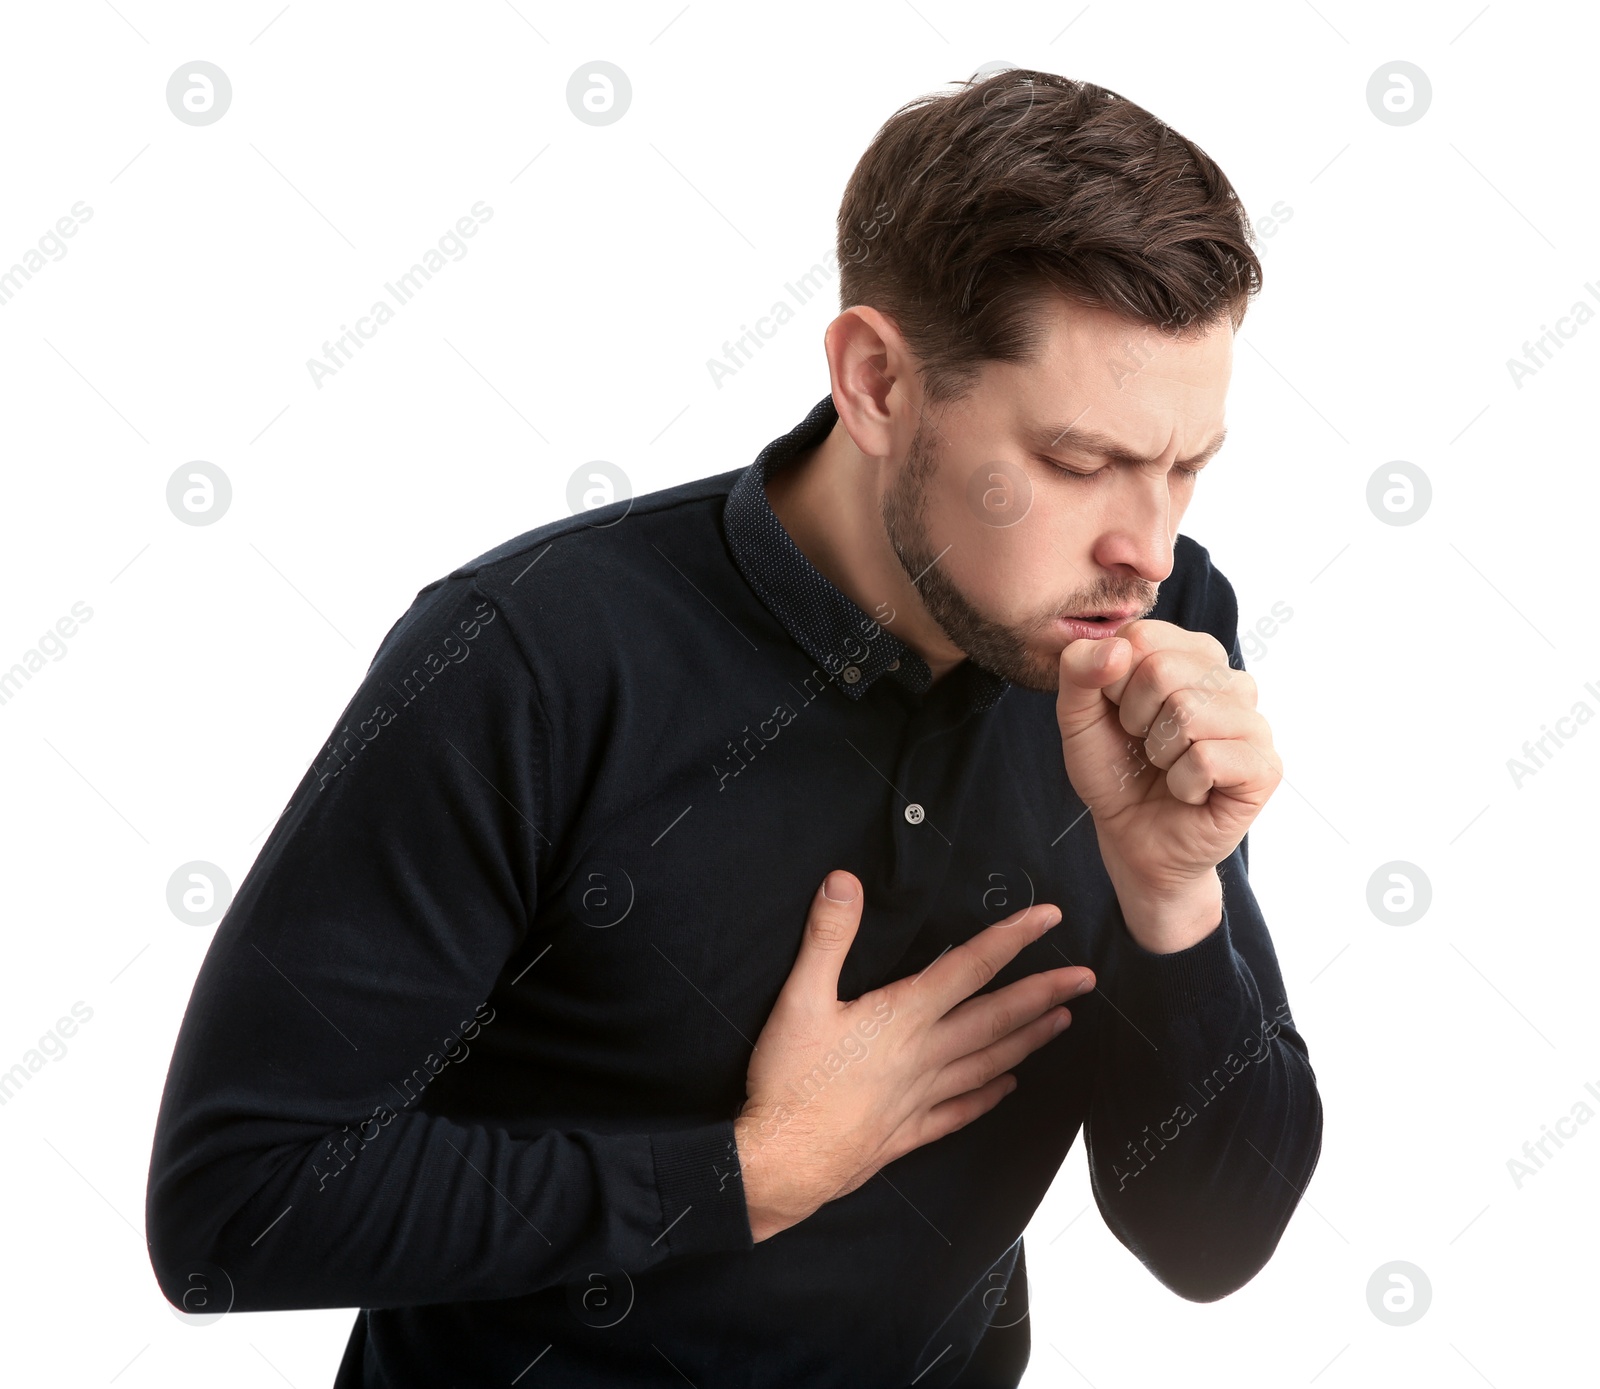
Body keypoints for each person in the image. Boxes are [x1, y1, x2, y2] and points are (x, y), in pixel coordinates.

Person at [146, 67, 1322, 1388]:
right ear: (878, 380)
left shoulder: (1150, 627)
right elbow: (237, 1206)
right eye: (1074, 460)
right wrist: (749, 1170)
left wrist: (1172, 896)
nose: (1147, 545)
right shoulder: (532, 656)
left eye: (1185, 465)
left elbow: (1212, 1240)